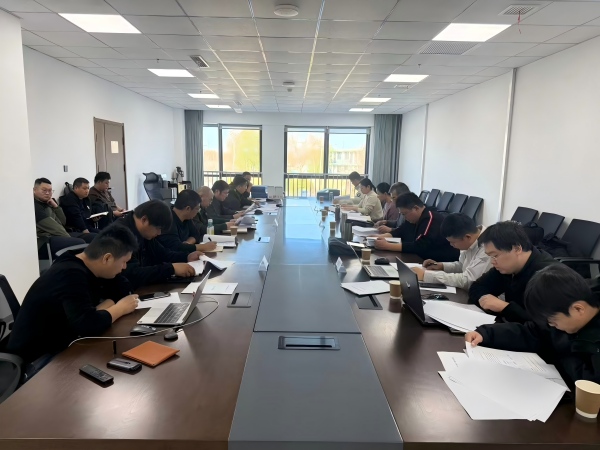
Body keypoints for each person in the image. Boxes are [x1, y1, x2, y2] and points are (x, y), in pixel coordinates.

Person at [7, 226, 140, 365]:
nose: (124, 267)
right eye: (124, 262)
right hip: (36, 359)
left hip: (62, 340)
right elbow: (87, 325)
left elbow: (123, 289)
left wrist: (107, 307)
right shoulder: (70, 273)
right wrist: (119, 309)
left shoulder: (87, 263)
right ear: (107, 258)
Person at [465, 265, 600, 390]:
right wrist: (486, 334)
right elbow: (533, 332)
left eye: (553, 321)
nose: (551, 325)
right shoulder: (565, 308)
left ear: (578, 309)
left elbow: (590, 382)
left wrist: (561, 350)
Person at [468, 221, 557, 323]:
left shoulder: (549, 277)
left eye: (495, 255)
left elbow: (547, 324)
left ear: (517, 249)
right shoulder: (506, 267)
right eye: (490, 256)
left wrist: (505, 307)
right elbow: (476, 287)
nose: (492, 262)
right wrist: (486, 301)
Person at [114, 200, 200, 289]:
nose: (159, 233)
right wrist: (171, 269)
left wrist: (187, 257)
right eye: (158, 228)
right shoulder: (120, 235)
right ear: (144, 220)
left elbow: (162, 254)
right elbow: (132, 274)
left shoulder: (143, 232)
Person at [412, 213, 491, 289]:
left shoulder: (488, 248)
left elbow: (468, 280)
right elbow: (462, 266)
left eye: (453, 242)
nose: (451, 245)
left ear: (467, 237)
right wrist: (442, 266)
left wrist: (426, 275)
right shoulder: (470, 239)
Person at [374, 192, 459, 262]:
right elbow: (402, 230)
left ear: (416, 208)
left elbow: (420, 246)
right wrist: (379, 237)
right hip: (422, 258)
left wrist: (387, 246)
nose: (404, 217)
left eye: (404, 214)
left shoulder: (430, 218)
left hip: (440, 261)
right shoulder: (414, 217)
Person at [33, 178, 92, 257]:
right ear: (34, 190)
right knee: (80, 243)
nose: (47, 193)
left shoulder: (49, 202)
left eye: (50, 190)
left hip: (59, 234)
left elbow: (63, 221)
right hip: (45, 240)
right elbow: (54, 227)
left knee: (91, 237)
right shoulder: (35, 206)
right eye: (44, 190)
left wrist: (56, 206)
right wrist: (68, 238)